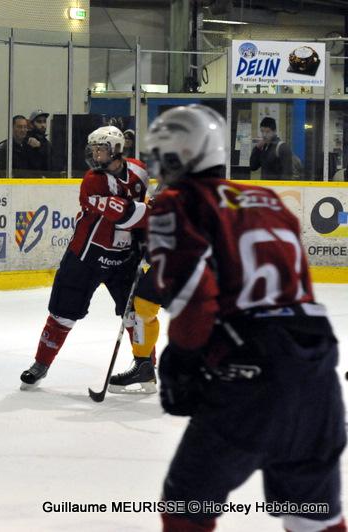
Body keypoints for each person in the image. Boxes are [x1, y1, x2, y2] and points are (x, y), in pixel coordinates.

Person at [144, 105, 345, 531]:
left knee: (186, 507)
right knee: (313, 515)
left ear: (182, 153)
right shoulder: (269, 199)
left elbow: (196, 301)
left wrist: (181, 361)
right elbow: (296, 285)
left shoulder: (179, 203)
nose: (157, 165)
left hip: (249, 371)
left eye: (162, 155)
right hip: (316, 370)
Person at [19, 125, 161, 393]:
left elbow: (143, 209)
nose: (95, 155)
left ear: (116, 150)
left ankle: (145, 367)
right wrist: (153, 210)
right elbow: (125, 215)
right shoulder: (93, 181)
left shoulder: (139, 170)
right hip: (86, 256)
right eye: (93, 149)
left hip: (125, 258)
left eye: (101, 149)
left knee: (136, 314)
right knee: (62, 313)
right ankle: (41, 363)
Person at [25, 109, 53, 176]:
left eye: (44, 121)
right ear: (31, 124)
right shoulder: (26, 140)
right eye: (39, 122)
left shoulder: (47, 144)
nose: (43, 125)